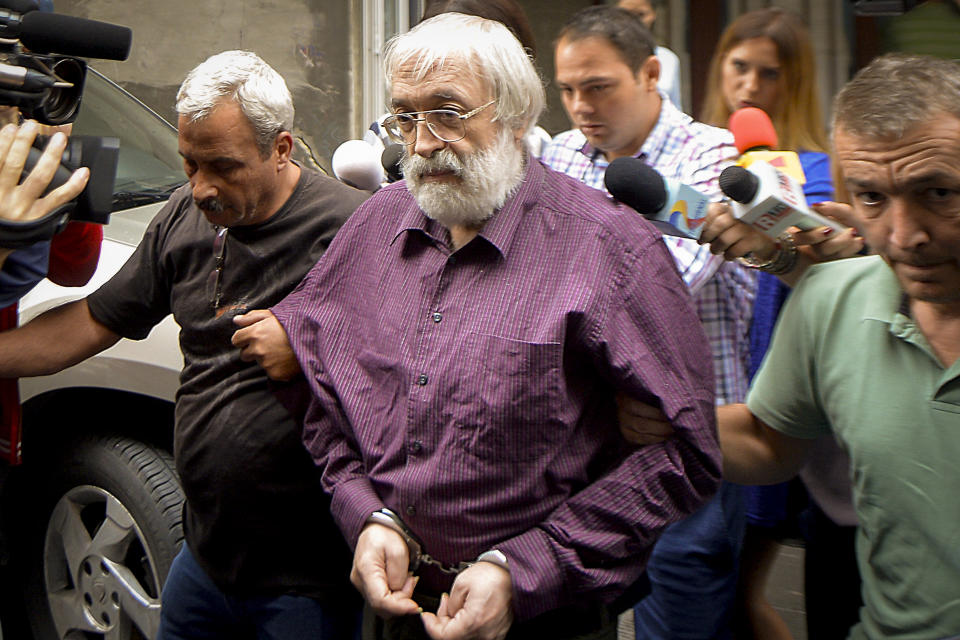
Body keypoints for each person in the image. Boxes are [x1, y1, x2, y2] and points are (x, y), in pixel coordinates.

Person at [268, 13, 721, 640]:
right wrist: (365, 515)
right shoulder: (374, 229)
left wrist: (526, 569)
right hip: (391, 609)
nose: (422, 143)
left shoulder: (611, 249)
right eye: (405, 116)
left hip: (545, 619)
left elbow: (687, 452)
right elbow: (322, 396)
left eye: (448, 112)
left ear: (514, 115)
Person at [0, 50, 369, 639]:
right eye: (189, 164)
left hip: (306, 582)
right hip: (201, 562)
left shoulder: (356, 230)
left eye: (222, 166)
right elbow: (93, 320)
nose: (200, 188)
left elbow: (414, 369)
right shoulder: (184, 218)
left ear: (282, 149)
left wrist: (310, 347)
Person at [632, 52, 960, 639]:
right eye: (872, 198)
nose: (905, 236)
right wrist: (644, 417)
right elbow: (768, 440)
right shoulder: (831, 294)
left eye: (937, 192)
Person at [542, 7, 749, 638]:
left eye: (598, 86)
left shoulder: (709, 152)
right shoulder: (561, 157)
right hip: (591, 443)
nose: (581, 106)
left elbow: (665, 289)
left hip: (690, 436)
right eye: (568, 90)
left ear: (651, 72)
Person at [699, 8, 864, 639]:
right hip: (724, 378)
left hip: (783, 388)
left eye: (770, 73)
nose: (750, 86)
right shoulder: (700, 156)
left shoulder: (816, 172)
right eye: (739, 67)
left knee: (750, 580)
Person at [615, 0, 684, 112]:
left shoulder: (668, 59)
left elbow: (676, 107)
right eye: (626, 14)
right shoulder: (606, 58)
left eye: (640, 15)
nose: (634, 21)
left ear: (653, 15)